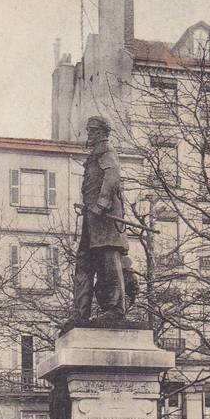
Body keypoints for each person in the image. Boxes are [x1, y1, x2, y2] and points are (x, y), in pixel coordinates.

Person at [61, 116, 129, 333]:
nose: (88, 134)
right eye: (88, 130)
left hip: (105, 218)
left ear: (102, 132)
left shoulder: (107, 152)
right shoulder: (93, 157)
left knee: (109, 261)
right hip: (92, 218)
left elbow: (112, 178)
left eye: (92, 130)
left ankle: (116, 309)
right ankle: (81, 313)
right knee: (83, 263)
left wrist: (102, 203)